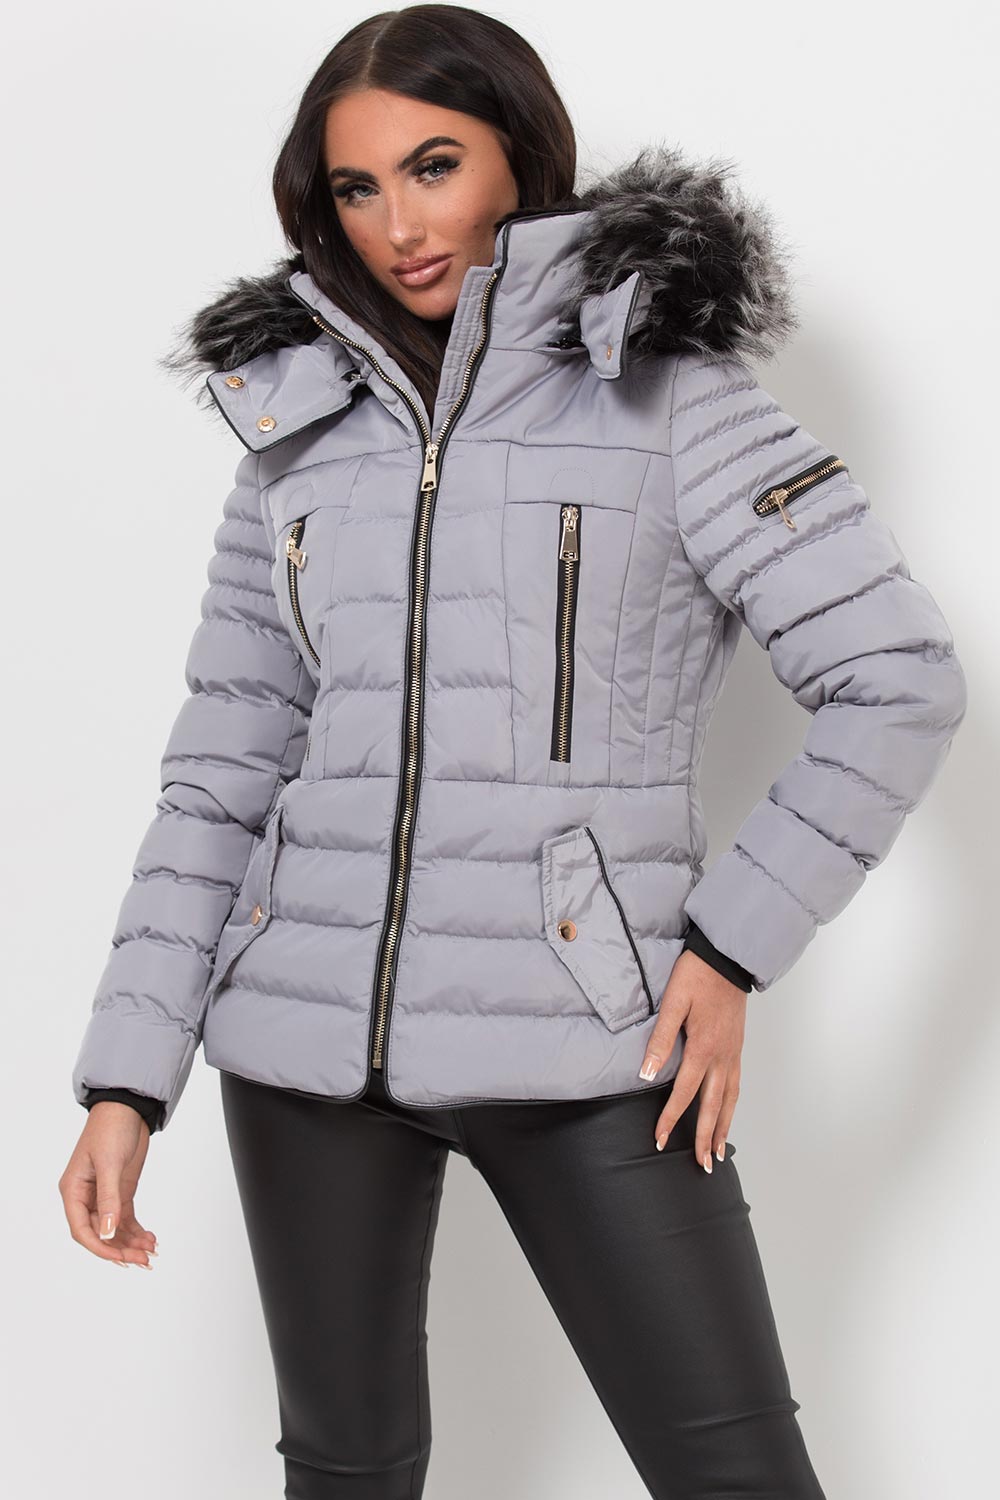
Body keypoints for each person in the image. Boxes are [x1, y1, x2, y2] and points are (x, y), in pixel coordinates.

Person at [59, 6, 967, 1497]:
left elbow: (897, 678)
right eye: (359, 188)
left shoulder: (673, 399)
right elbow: (223, 764)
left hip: (593, 1035)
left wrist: (729, 948)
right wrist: (126, 1079)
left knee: (735, 1473)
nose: (402, 226)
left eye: (435, 166)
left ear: (520, 158)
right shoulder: (295, 427)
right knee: (345, 1473)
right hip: (303, 1044)